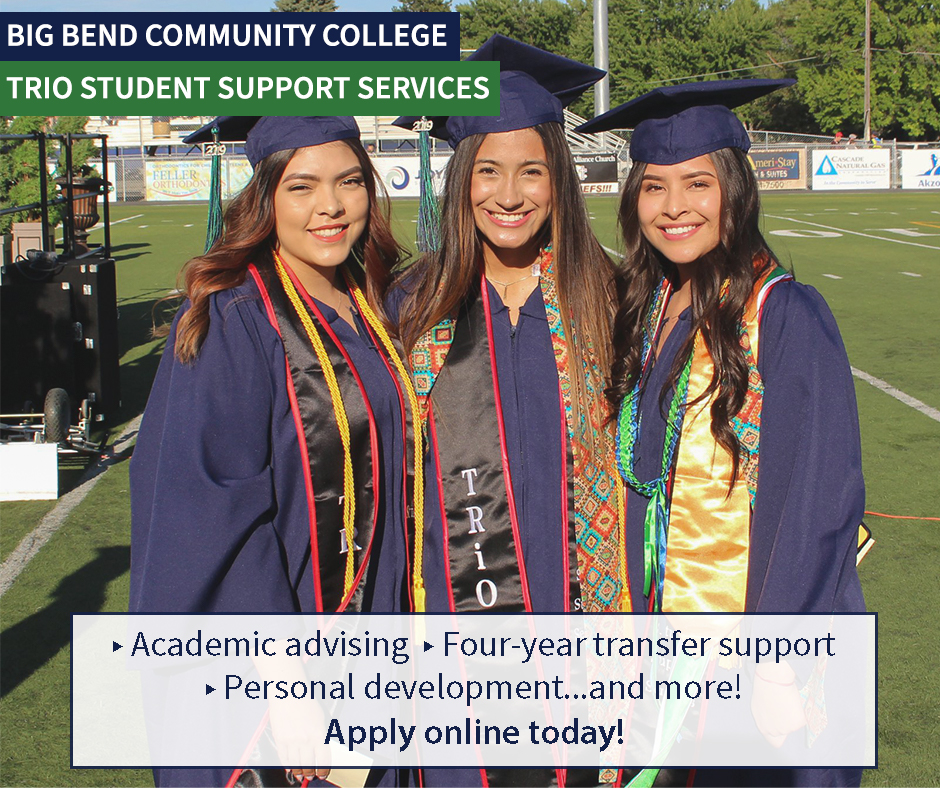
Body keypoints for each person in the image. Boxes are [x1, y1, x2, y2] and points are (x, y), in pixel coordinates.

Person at [577, 80, 867, 786]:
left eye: (696, 184)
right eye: (653, 188)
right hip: (658, 626)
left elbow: (820, 500)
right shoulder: (642, 312)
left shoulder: (785, 315)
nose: (674, 207)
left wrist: (776, 661)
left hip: (753, 642)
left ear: (734, 190)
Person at [129, 115, 418, 788]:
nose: (331, 206)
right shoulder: (233, 315)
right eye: (302, 186)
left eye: (349, 182)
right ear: (265, 199)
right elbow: (210, 515)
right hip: (272, 671)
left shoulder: (368, 300)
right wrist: (288, 691)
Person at [390, 36, 629, 787]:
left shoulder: (613, 300)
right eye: (488, 170)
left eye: (532, 171)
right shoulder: (410, 305)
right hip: (454, 640)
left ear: (559, 179)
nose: (509, 193)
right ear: (462, 180)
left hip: (585, 634)